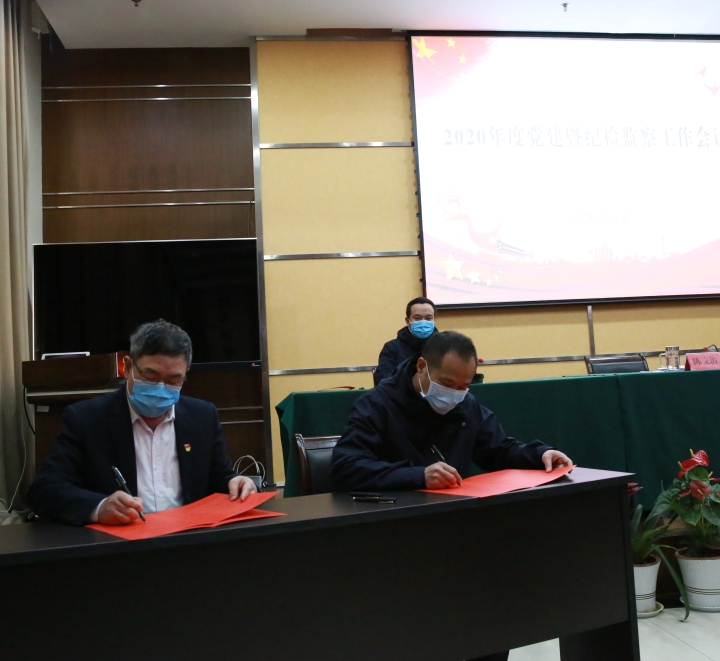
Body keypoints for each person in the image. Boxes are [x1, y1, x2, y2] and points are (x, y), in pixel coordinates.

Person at [332, 330, 572, 661]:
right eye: (447, 384)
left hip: (456, 533)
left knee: (495, 606)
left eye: (464, 386)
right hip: (396, 538)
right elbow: (346, 467)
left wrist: (539, 454)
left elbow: (498, 449)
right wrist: (417, 475)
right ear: (422, 367)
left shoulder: (465, 404)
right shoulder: (377, 405)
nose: (455, 394)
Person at [27, 319, 257, 526]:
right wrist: (100, 507)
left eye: (174, 379)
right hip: (122, 545)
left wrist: (235, 482)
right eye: (151, 376)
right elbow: (44, 489)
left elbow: (218, 476)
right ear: (128, 368)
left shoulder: (202, 416)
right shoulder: (87, 418)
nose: (161, 388)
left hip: (188, 540)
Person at [374, 296, 439, 385]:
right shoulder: (392, 348)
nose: (423, 322)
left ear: (434, 320)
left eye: (428, 318)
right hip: (401, 394)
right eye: (417, 318)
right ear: (408, 321)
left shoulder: (444, 347)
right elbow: (383, 381)